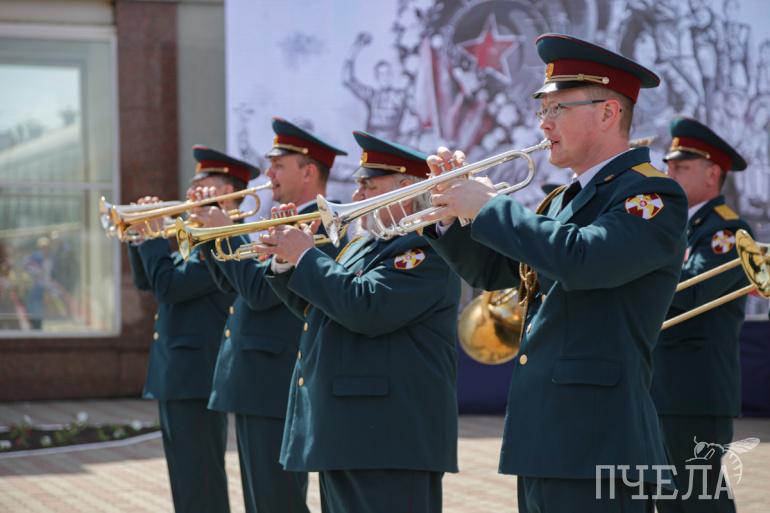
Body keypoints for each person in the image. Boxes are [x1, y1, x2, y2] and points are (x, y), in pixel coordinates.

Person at [424, 33, 689, 512]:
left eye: (557, 109)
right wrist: (450, 215)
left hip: (600, 439)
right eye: (542, 109)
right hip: (545, 438)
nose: (543, 123)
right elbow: (497, 272)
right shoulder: (563, 200)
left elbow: (584, 260)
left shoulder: (650, 196)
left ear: (608, 113)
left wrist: (490, 208)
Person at [253, 131, 461, 513]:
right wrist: (285, 261)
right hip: (349, 432)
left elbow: (367, 308)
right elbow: (319, 309)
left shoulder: (423, 249)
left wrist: (306, 257)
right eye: (360, 185)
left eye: (369, 186)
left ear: (405, 191)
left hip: (388, 437)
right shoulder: (364, 245)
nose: (356, 195)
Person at [191, 121, 346, 513]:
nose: (268, 173)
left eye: (278, 165)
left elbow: (261, 293)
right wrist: (212, 235)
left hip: (276, 379)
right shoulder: (284, 220)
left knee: (276, 501)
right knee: (262, 501)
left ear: (308, 172)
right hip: (257, 380)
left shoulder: (322, 225)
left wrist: (226, 231)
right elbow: (232, 284)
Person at [126, 146, 250, 513]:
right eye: (193, 186)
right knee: (185, 477)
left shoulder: (226, 240)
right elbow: (148, 282)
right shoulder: (196, 237)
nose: (192, 194)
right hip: (177, 371)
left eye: (203, 186)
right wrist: (140, 236)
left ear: (228, 193)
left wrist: (153, 237)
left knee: (200, 479)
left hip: (197, 373)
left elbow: (170, 287)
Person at [652, 116, 751, 513]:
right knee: (667, 497)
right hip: (663, 386)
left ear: (712, 174)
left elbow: (691, 292)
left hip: (693, 389)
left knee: (697, 497)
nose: (669, 174)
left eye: (681, 167)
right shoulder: (682, 226)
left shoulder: (727, 232)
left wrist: (634, 265)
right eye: (669, 165)